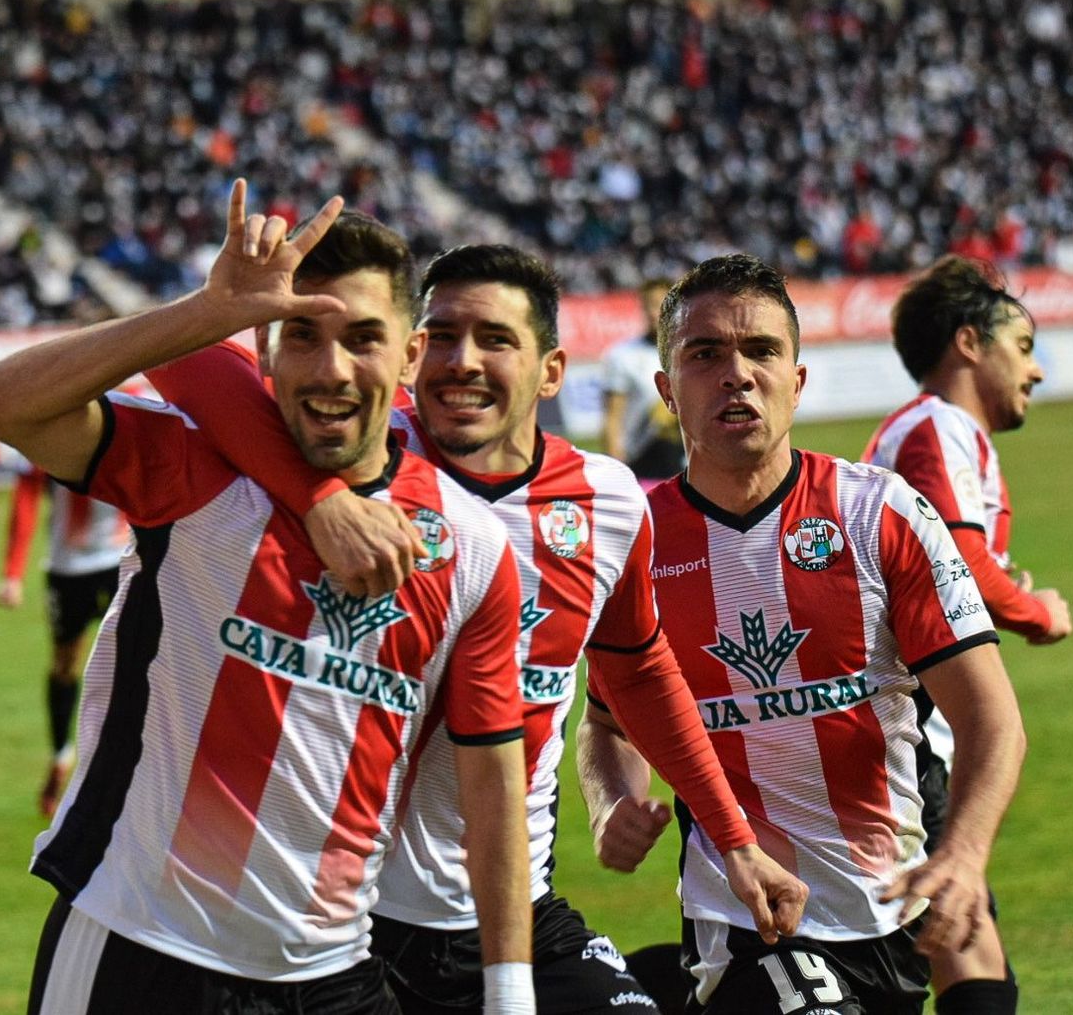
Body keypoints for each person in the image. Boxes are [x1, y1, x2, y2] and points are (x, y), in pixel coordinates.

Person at [144, 240, 808, 1014]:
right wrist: (320, 498)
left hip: (510, 912)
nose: (463, 361)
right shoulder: (358, 454)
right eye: (445, 335)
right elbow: (190, 367)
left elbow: (638, 671)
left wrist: (734, 841)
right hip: (345, 924)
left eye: (496, 339)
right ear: (411, 353)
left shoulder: (609, 503)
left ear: (551, 371)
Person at [0, 181, 536, 1015]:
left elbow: (493, 781)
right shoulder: (198, 474)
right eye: (302, 336)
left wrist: (510, 990)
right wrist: (209, 310)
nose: (333, 369)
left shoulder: (476, 551)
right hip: (141, 948)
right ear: (262, 350)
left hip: (337, 972)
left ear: (411, 356)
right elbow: (2, 402)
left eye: (365, 339)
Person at [576, 254, 1027, 1015]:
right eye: (705, 354)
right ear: (666, 389)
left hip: (891, 905)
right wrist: (610, 800)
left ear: (798, 379)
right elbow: (608, 721)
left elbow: (992, 718)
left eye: (761, 351)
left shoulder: (880, 514)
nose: (737, 374)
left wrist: (964, 852)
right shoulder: (636, 548)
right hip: (748, 918)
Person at [862, 255, 1072, 1012]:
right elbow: (963, 564)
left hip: (905, 730)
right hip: (904, 731)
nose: (1037, 369)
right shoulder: (937, 426)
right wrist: (1037, 609)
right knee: (958, 934)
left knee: (956, 928)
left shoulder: (933, 430)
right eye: (1023, 343)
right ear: (969, 343)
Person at [0, 451, 129, 817]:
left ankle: (127, 767)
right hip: (68, 568)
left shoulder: (136, 400)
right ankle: (60, 756)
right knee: (65, 664)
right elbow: (26, 493)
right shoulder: (50, 415)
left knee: (135, 662)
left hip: (124, 561)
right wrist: (12, 573)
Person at [600, 277, 685, 485]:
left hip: (685, 465)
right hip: (639, 462)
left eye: (659, 304)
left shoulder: (691, 353)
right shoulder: (622, 356)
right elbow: (613, 418)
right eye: (648, 305)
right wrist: (616, 469)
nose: (652, 312)